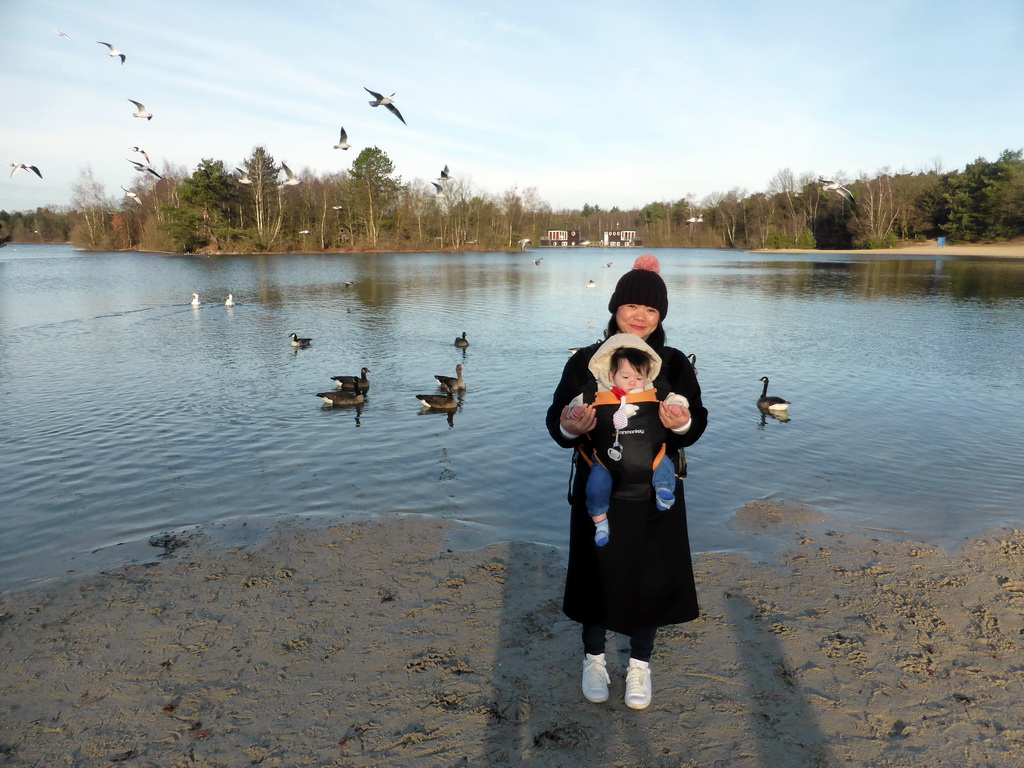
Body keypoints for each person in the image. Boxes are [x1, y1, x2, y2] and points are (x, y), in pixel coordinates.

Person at [546, 253, 707, 711]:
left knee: (649, 578)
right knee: (596, 576)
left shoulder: (675, 363)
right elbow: (554, 423)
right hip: (598, 491)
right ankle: (593, 659)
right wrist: (569, 428)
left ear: (661, 317)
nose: (639, 316)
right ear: (615, 308)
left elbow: (696, 428)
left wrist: (679, 424)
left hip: (657, 491)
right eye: (631, 306)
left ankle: (639, 666)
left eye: (650, 309)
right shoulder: (583, 361)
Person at [565, 334, 689, 547]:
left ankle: (663, 492)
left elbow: (677, 398)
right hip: (604, 459)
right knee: (595, 486)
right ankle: (600, 522)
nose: (633, 382)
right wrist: (573, 414)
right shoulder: (595, 395)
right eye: (626, 377)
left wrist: (678, 408)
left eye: (639, 378)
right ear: (612, 375)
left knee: (665, 466)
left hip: (652, 456)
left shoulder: (656, 393)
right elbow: (572, 406)